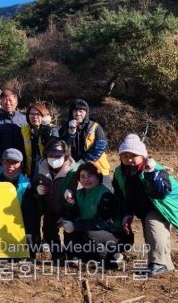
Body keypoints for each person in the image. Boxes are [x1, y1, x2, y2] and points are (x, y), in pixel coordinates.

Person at [113, 134, 177, 276]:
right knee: (150, 234)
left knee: (153, 223)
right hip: (143, 208)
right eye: (125, 156)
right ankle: (163, 264)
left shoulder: (155, 169)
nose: (129, 159)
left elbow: (160, 193)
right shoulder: (120, 173)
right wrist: (127, 214)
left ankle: (160, 264)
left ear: (142, 156)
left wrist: (150, 173)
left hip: (163, 206)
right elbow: (121, 196)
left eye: (133, 155)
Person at [61, 162, 124, 267]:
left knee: (90, 233)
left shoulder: (105, 195)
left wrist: (76, 226)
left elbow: (103, 223)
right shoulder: (79, 194)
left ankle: (109, 258)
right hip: (90, 230)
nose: (86, 179)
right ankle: (75, 256)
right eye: (83, 176)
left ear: (98, 177)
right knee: (68, 227)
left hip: (113, 235)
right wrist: (70, 202)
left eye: (90, 175)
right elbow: (74, 215)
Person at [31, 139, 79, 260]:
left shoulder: (74, 170)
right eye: (51, 155)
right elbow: (34, 182)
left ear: (65, 155)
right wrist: (37, 189)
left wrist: (72, 197)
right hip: (50, 208)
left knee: (70, 232)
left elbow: (82, 194)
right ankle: (57, 255)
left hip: (70, 210)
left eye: (58, 155)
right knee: (48, 231)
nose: (54, 158)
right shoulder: (40, 167)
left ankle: (72, 255)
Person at [59, 99, 110, 175]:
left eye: (81, 111)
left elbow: (101, 145)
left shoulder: (95, 126)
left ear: (86, 112)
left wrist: (84, 161)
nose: (78, 114)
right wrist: (70, 133)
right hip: (75, 168)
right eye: (75, 111)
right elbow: (60, 145)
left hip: (97, 168)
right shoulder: (66, 127)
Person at [20, 102, 58, 178]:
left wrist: (45, 127)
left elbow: (54, 148)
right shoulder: (24, 129)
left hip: (47, 171)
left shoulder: (52, 129)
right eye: (31, 114)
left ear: (44, 116)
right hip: (30, 170)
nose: (34, 117)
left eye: (38, 114)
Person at [0, 89, 26, 166]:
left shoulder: (24, 119)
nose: (8, 103)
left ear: (16, 102)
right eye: (5, 100)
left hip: (21, 162)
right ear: (1, 102)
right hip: (2, 162)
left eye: (10, 100)